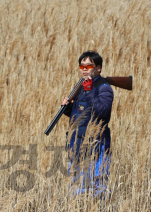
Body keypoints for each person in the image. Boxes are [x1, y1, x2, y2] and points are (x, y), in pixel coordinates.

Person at [61, 50, 113, 195]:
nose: (84, 69)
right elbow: (81, 114)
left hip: (97, 143)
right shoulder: (82, 86)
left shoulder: (104, 88)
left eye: (88, 66)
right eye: (82, 66)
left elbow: (102, 113)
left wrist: (89, 91)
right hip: (77, 143)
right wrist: (68, 108)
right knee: (76, 186)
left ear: (98, 68)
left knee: (97, 186)